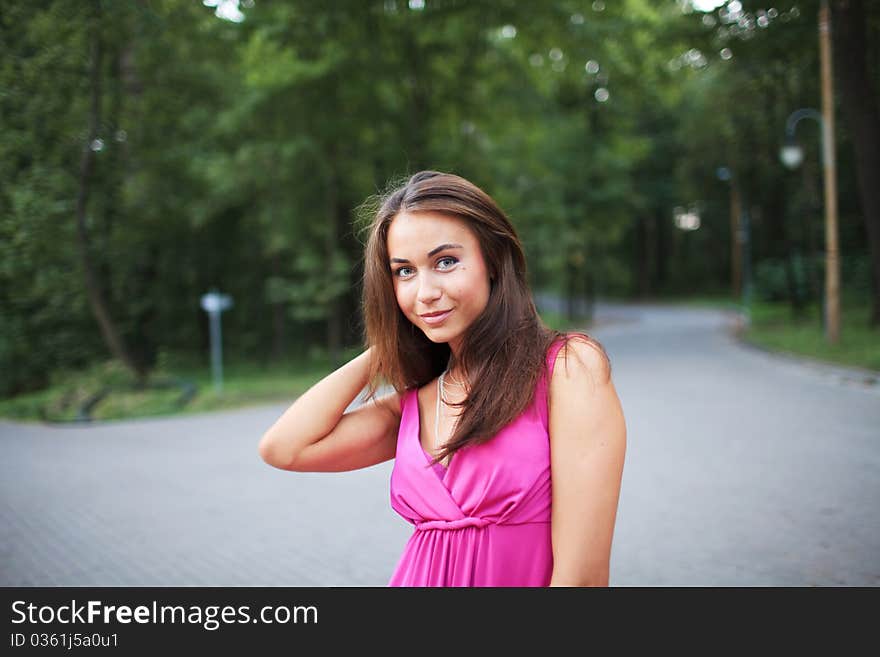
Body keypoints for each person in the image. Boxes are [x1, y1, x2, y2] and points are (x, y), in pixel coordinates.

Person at [258, 171, 626, 587]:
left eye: (445, 262)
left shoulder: (567, 368)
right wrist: (386, 345)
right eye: (404, 272)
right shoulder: (416, 403)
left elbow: (584, 577)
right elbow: (283, 448)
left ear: (494, 261)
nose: (425, 291)